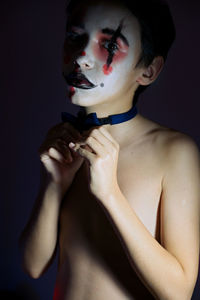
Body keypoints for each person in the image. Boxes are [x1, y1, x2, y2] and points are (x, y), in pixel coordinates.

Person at [19, 0, 200, 299]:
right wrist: (54, 183)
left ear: (149, 70)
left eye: (110, 45)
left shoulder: (175, 152)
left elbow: (178, 292)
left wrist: (110, 194)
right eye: (76, 37)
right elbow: (32, 266)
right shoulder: (64, 143)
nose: (81, 57)